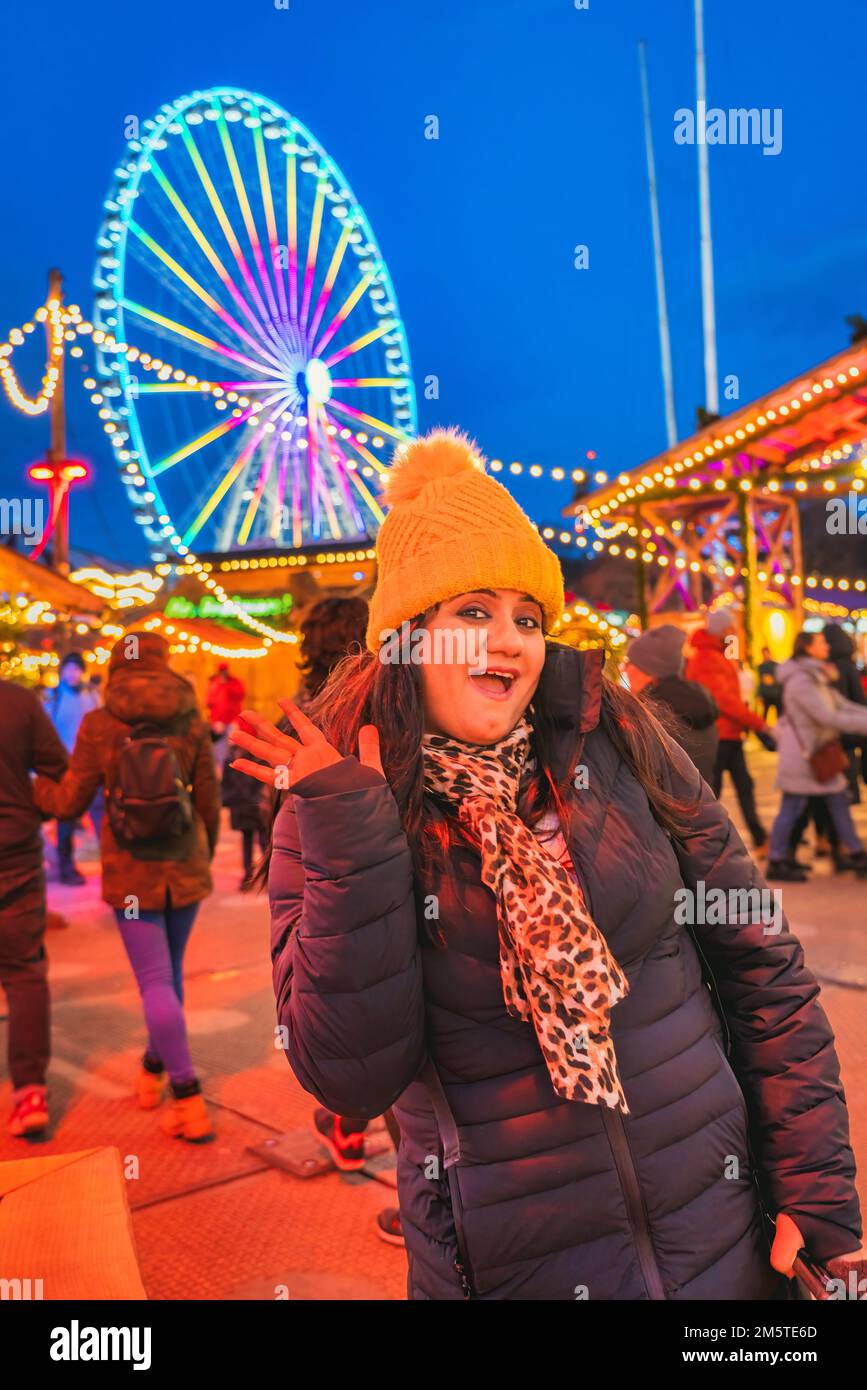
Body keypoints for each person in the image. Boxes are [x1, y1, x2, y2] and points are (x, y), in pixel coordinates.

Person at [232, 428, 861, 1300]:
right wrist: (358, 844)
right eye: (472, 613)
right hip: (509, 1265)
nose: (509, 641)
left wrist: (815, 1186)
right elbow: (349, 1074)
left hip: (719, 1240)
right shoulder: (337, 795)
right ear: (408, 637)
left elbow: (762, 970)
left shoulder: (618, 737)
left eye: (526, 617)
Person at [33, 633, 221, 1142]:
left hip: (130, 872)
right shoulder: (191, 718)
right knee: (168, 975)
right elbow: (208, 800)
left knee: (155, 980)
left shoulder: (98, 723)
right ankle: (154, 1066)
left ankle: (187, 1095)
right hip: (184, 868)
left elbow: (69, 802)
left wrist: (30, 786)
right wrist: (207, 850)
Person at [0, 679, 68, 1136]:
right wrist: (31, 810)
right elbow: (59, 769)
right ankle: (30, 1093)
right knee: (24, 969)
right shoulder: (18, 702)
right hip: (13, 849)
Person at [767, 629, 867, 882]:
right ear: (808, 648)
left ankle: (856, 854)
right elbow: (828, 716)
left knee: (838, 803)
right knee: (792, 808)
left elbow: (842, 705)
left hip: (819, 754)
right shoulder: (802, 681)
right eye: (821, 642)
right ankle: (777, 860)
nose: (827, 646)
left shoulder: (816, 676)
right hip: (803, 757)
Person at [686, 612, 776, 856]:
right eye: (731, 629)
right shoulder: (708, 659)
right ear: (723, 630)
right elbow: (725, 701)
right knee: (712, 792)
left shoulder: (714, 656)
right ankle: (702, 844)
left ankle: (758, 838)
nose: (734, 633)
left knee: (742, 785)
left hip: (728, 734)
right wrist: (760, 724)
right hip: (719, 735)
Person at [623, 624, 719, 783]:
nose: (625, 670)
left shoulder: (654, 714)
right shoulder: (698, 700)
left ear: (649, 670)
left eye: (629, 663)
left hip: (668, 805)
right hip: (703, 800)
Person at [45, 652, 101, 885]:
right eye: (68, 668)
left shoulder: (93, 695)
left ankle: (113, 864)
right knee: (66, 816)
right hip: (66, 765)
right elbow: (45, 730)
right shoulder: (53, 696)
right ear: (62, 671)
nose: (72, 673)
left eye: (76, 669)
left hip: (92, 765)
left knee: (101, 815)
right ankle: (66, 866)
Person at [823, 623, 866, 803]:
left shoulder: (825, 666)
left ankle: (843, 793)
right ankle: (851, 792)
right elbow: (858, 697)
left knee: (838, 758)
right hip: (848, 721)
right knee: (848, 756)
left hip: (833, 721)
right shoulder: (847, 665)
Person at [221, 735, 269, 889]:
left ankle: (255, 875)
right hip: (250, 804)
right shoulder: (256, 752)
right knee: (258, 840)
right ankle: (260, 874)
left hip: (246, 804)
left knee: (255, 840)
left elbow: (226, 782)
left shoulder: (233, 754)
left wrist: (229, 798)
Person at [206, 662, 245, 772]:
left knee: (233, 744)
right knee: (218, 746)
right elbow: (209, 701)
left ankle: (233, 769)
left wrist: (227, 686)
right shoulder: (214, 683)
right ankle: (220, 770)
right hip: (218, 720)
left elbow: (240, 694)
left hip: (232, 719)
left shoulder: (234, 682)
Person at [757, 648, 782, 722]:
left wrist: (772, 680)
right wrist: (760, 694)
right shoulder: (760, 667)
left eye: (766, 653)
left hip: (776, 694)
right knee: (764, 714)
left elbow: (779, 679)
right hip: (766, 694)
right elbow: (761, 681)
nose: (765, 655)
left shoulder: (776, 665)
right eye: (764, 654)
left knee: (779, 715)